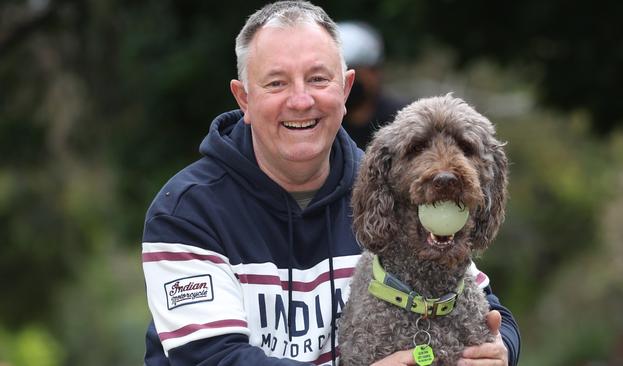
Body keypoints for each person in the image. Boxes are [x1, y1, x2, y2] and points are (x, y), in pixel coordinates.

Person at [141, 1, 520, 365]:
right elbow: (212, 359)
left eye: (318, 79)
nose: (301, 100)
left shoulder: (388, 183)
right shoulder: (187, 211)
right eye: (276, 83)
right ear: (244, 98)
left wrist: (502, 348)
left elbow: (478, 296)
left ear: (345, 88)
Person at [338, 21, 407, 150]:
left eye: (353, 71)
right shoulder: (325, 124)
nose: (347, 81)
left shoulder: (402, 121)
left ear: (374, 72)